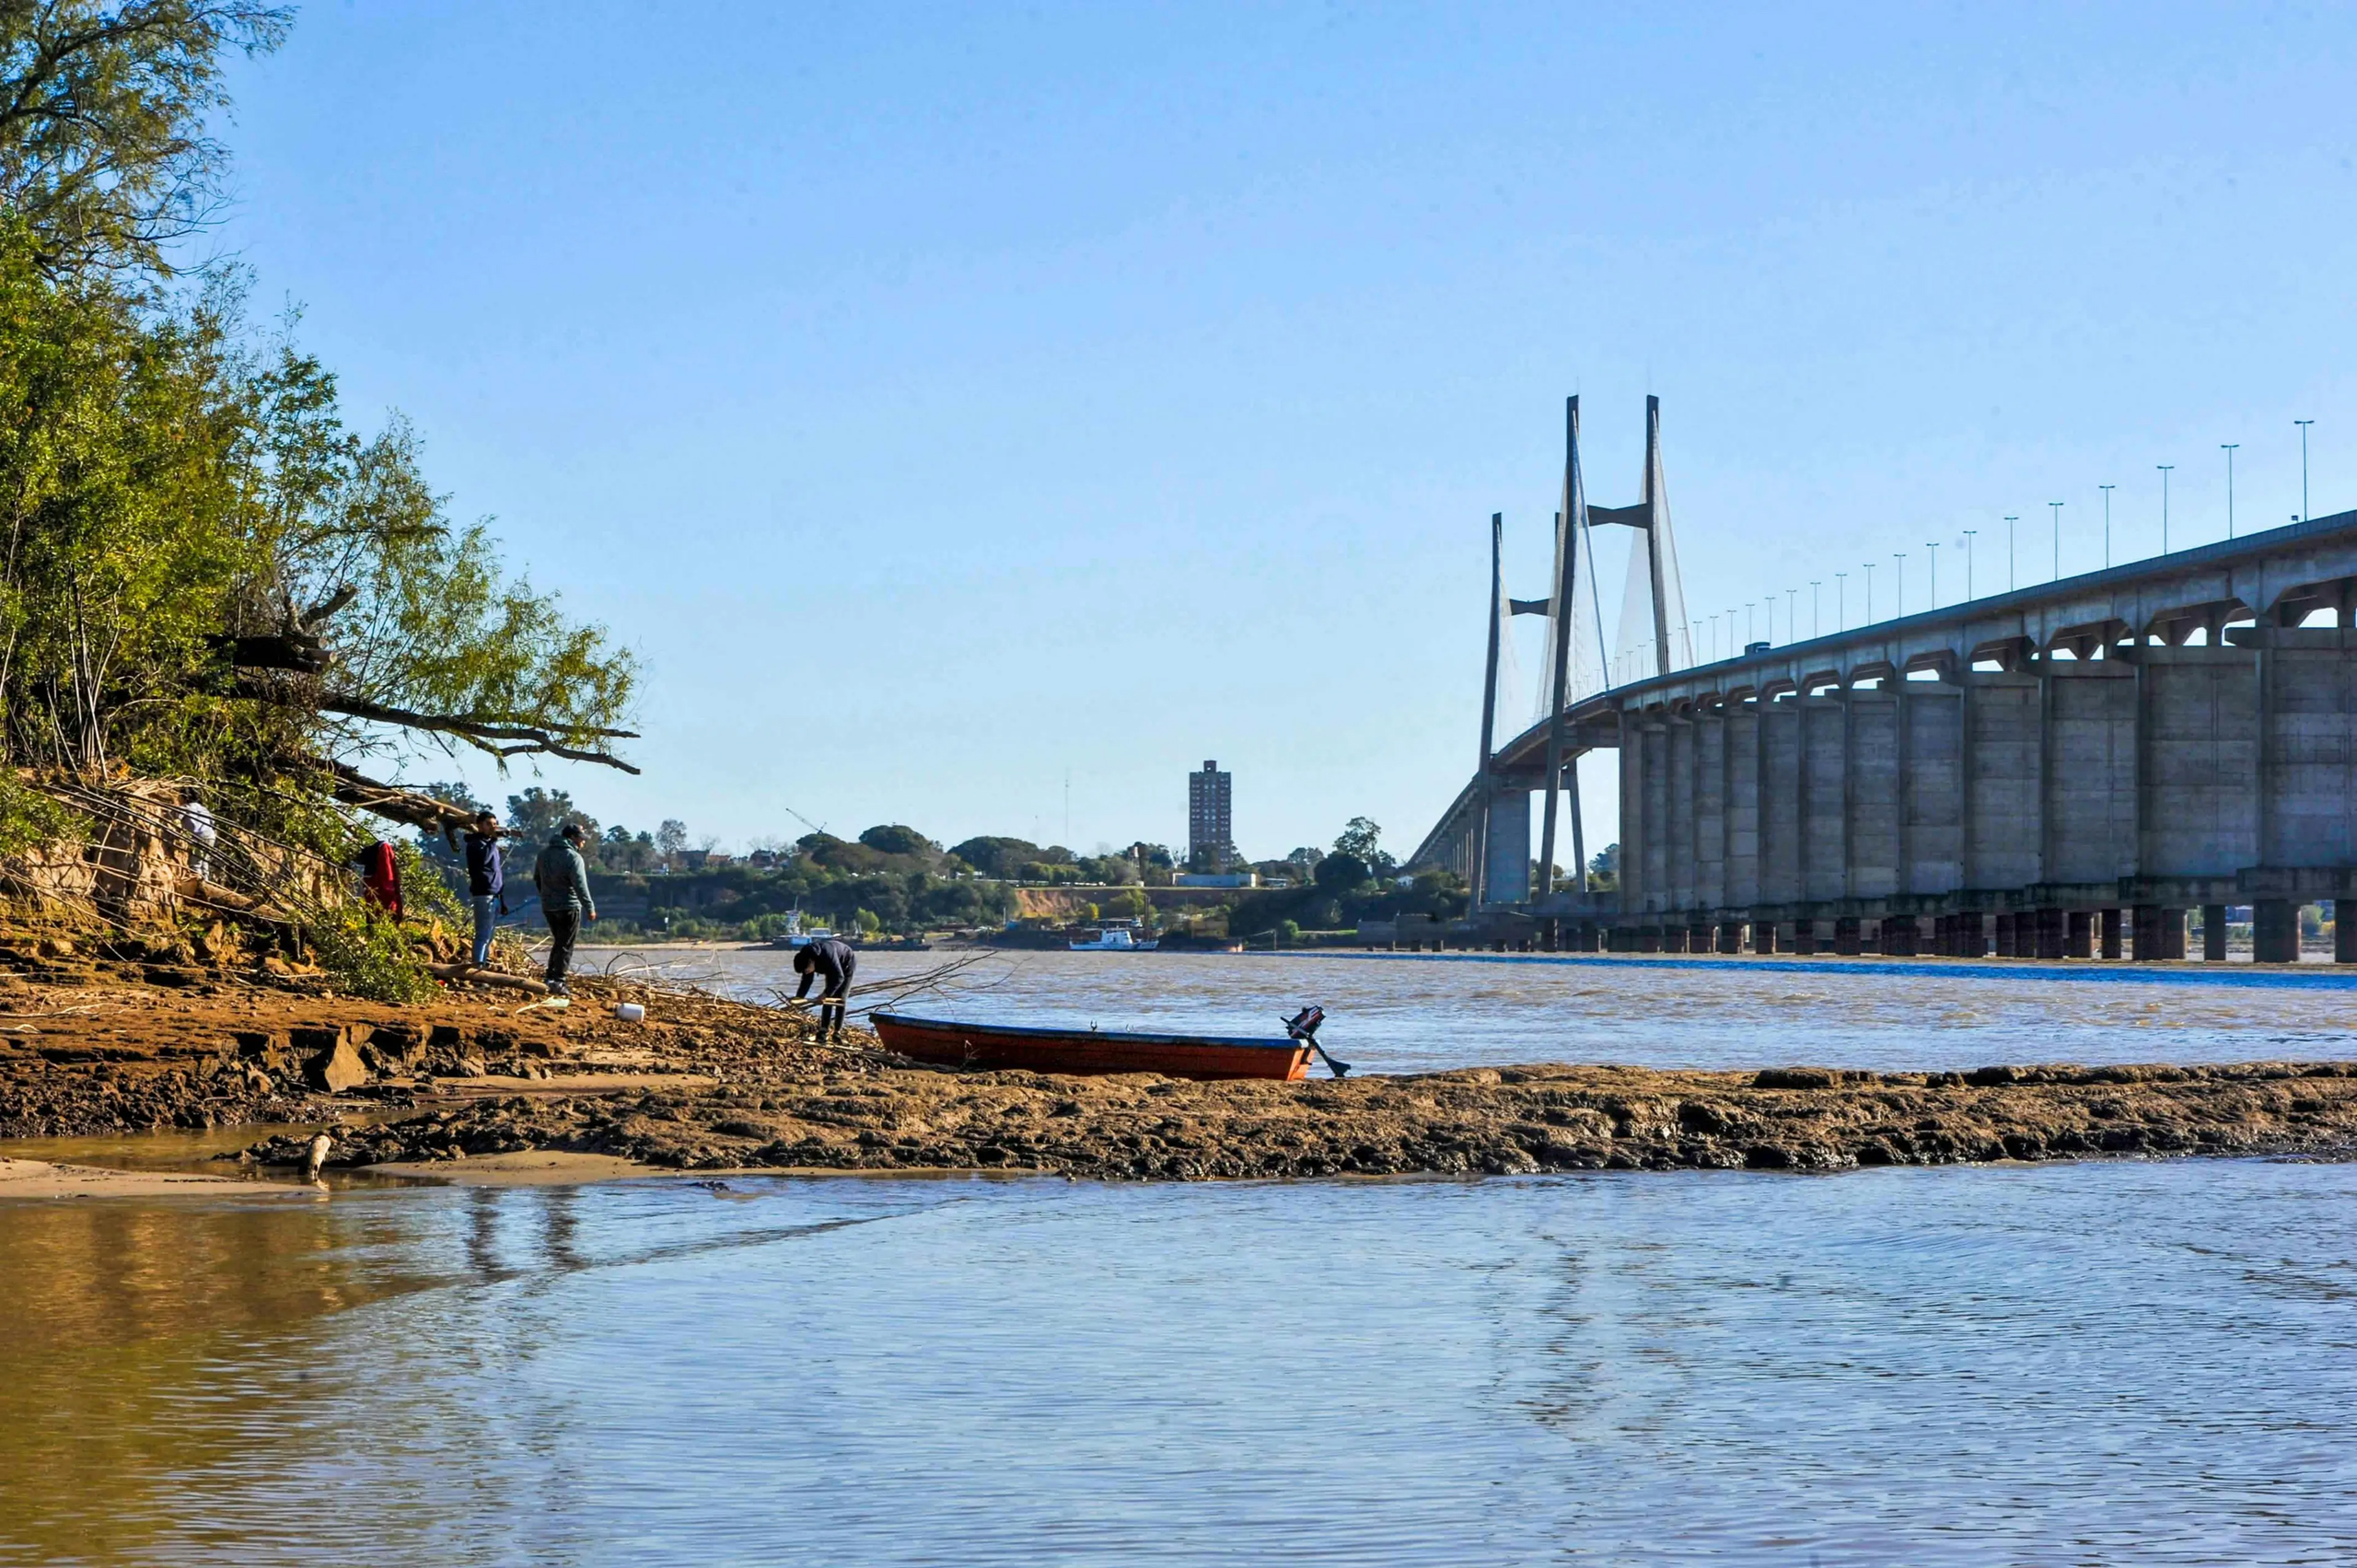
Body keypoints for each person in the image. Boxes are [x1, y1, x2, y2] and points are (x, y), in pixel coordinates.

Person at [533, 821, 597, 993]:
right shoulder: (574, 857)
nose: (583, 842)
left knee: (559, 942)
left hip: (549, 906)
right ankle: (558, 980)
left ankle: (550, 976)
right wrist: (589, 907)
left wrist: (546, 896)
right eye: (581, 839)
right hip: (569, 906)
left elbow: (537, 879)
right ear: (572, 838)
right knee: (566, 944)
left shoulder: (543, 854)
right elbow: (580, 885)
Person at [792, 936, 856, 1041]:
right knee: (827, 999)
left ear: (811, 962)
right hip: (830, 967)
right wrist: (799, 998)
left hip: (846, 962)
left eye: (806, 970)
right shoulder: (805, 957)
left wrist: (824, 994)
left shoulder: (827, 956)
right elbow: (806, 982)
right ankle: (823, 1031)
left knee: (840, 998)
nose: (806, 973)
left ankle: (837, 1033)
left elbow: (839, 977)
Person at [463, 810, 505, 969]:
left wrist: (503, 899)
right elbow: (484, 859)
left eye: (495, 824)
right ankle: (477, 966)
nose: (492, 827)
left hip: (495, 895)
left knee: (489, 934)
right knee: (482, 934)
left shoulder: (490, 844)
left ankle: (484, 963)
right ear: (479, 825)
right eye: (488, 824)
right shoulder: (475, 844)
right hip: (483, 895)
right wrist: (494, 839)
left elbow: (497, 872)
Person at [180, 793, 215, 883]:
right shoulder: (204, 809)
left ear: (184, 798)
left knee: (195, 864)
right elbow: (212, 822)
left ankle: (199, 885)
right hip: (211, 836)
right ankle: (206, 882)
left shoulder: (186, 808)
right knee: (204, 861)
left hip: (199, 837)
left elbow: (175, 817)